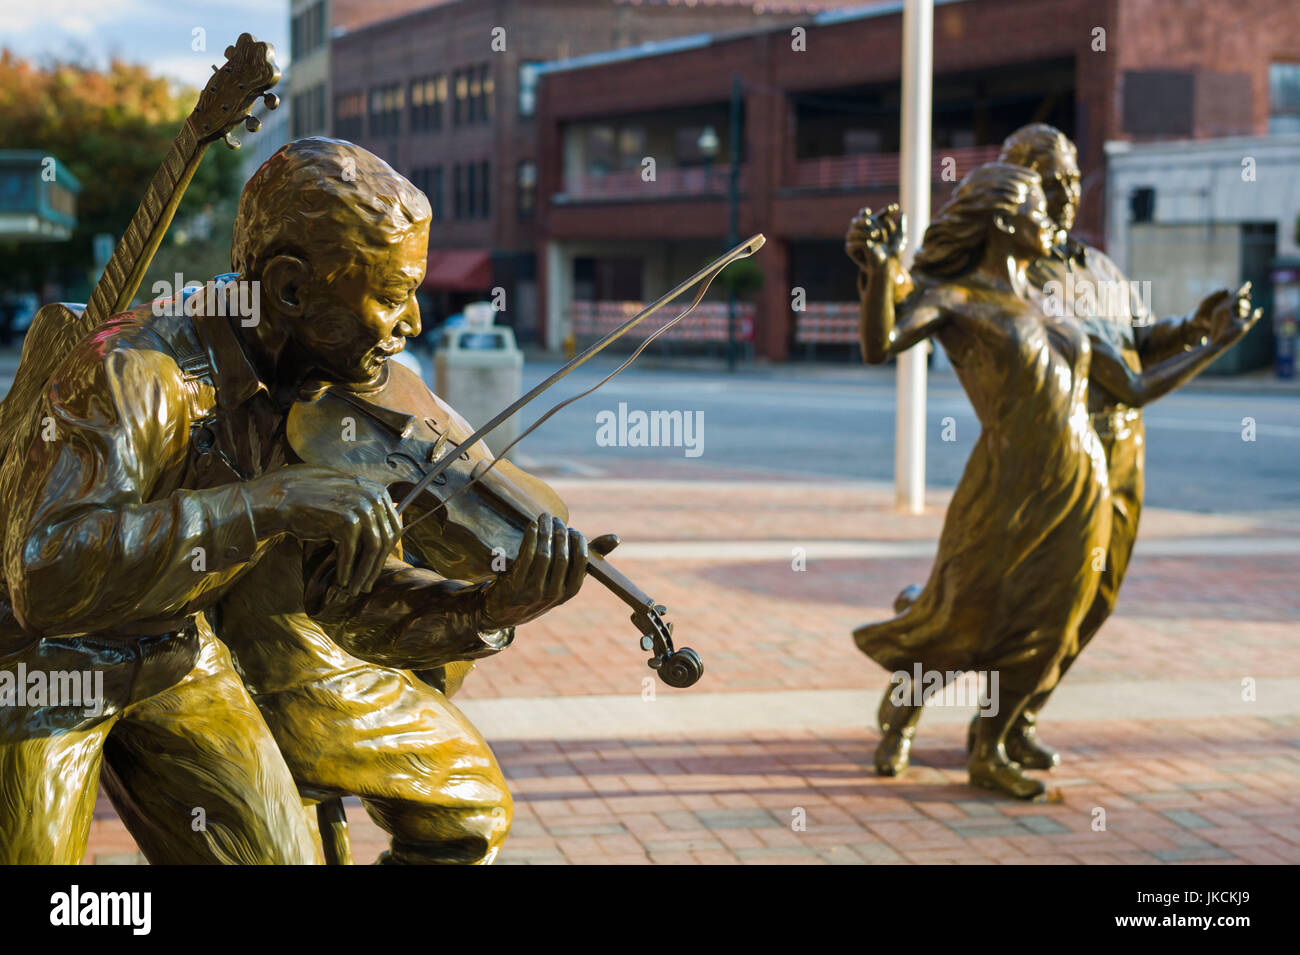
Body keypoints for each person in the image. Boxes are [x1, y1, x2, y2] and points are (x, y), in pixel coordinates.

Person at [0, 137, 586, 863]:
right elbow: (47, 573)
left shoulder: (320, 396)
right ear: (287, 289)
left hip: (171, 655)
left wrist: (483, 611)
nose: (412, 328)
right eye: (392, 296)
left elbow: (341, 599)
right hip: (40, 665)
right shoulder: (135, 368)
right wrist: (266, 504)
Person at [843, 162, 1253, 800]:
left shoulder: (1057, 308)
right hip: (1008, 489)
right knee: (966, 615)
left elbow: (1135, 385)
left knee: (1052, 626)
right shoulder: (955, 298)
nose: (1054, 219)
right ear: (1005, 221)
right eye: (1039, 206)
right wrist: (875, 273)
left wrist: (1213, 342)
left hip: (1081, 488)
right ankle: (903, 708)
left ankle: (991, 747)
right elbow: (881, 344)